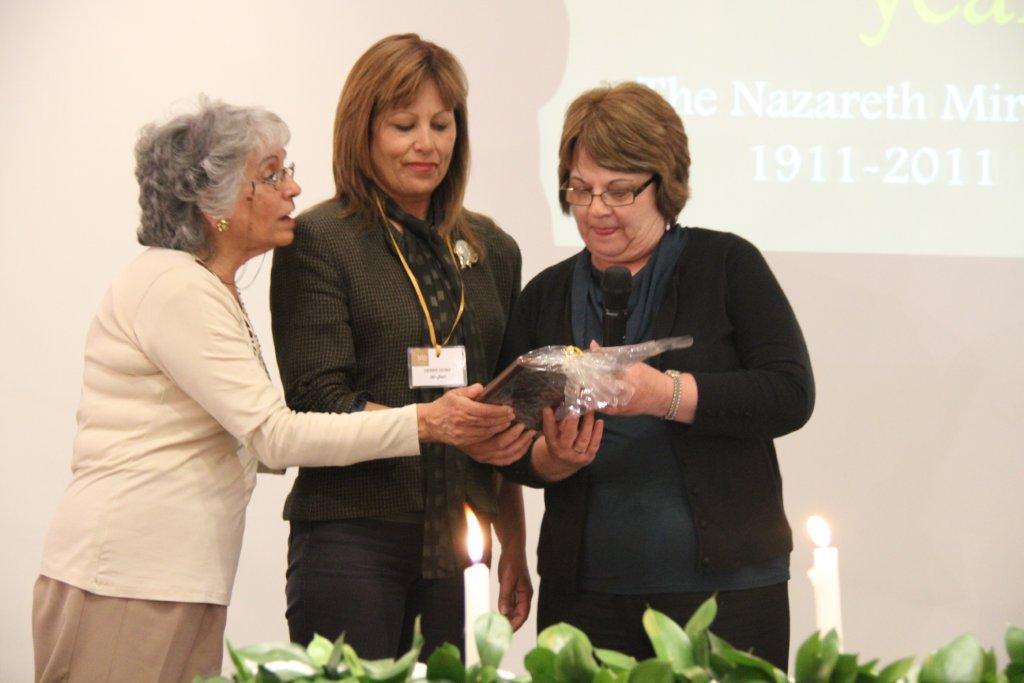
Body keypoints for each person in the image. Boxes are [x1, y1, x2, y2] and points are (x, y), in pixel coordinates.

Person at [31, 98, 514, 683]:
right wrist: (426, 423)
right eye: (272, 174)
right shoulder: (174, 286)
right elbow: (275, 436)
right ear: (216, 204)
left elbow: (256, 440)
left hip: (168, 574)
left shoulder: (204, 286)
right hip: (126, 574)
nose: (293, 188)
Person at [500, 82, 815, 670]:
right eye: (581, 188)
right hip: (586, 595)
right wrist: (551, 460)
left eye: (619, 191)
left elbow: (790, 394)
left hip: (729, 592)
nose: (596, 209)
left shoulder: (726, 265)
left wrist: (665, 395)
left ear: (664, 186)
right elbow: (508, 439)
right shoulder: (544, 294)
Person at [269, 34, 535, 659]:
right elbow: (316, 400)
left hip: (464, 543)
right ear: (363, 131)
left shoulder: (494, 248)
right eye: (404, 124)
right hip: (350, 540)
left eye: (441, 124)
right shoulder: (318, 240)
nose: (427, 143)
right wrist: (433, 425)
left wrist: (515, 544)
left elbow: (506, 410)